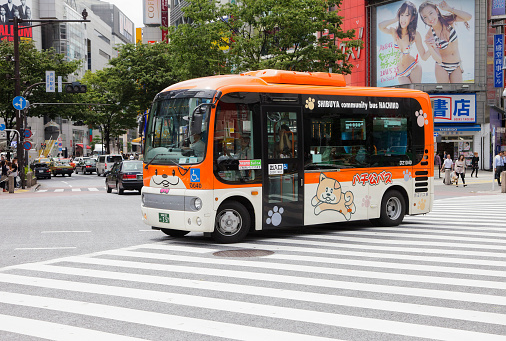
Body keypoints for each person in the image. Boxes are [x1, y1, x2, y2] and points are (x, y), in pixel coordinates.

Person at [378, 1, 432, 84]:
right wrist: (395, 19)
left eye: (407, 15)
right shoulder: (394, 32)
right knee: (407, 95)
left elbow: (424, 56)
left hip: (413, 67)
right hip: (401, 73)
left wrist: (433, 47)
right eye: (401, 15)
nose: (403, 19)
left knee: (415, 95)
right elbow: (381, 26)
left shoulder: (415, 35)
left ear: (412, 18)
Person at [419, 1, 472, 83]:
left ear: (436, 11)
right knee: (444, 92)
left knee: (458, 92)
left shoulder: (448, 21)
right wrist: (430, 47)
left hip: (456, 65)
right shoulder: (429, 35)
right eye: (425, 17)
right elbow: (439, 59)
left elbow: (468, 17)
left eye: (431, 13)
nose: (430, 19)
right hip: (442, 66)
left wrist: (449, 9)